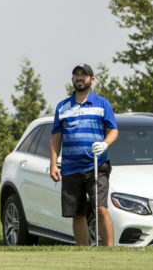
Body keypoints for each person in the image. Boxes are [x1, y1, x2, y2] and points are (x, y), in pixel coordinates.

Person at [49, 63, 118, 246]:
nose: (80, 78)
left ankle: (109, 251)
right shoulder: (62, 107)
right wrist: (53, 164)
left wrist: (104, 144)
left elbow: (113, 131)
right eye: (76, 75)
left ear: (91, 80)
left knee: (100, 209)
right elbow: (56, 137)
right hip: (71, 167)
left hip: (96, 165)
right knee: (77, 214)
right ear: (73, 79)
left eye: (84, 75)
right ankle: (83, 253)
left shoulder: (103, 104)